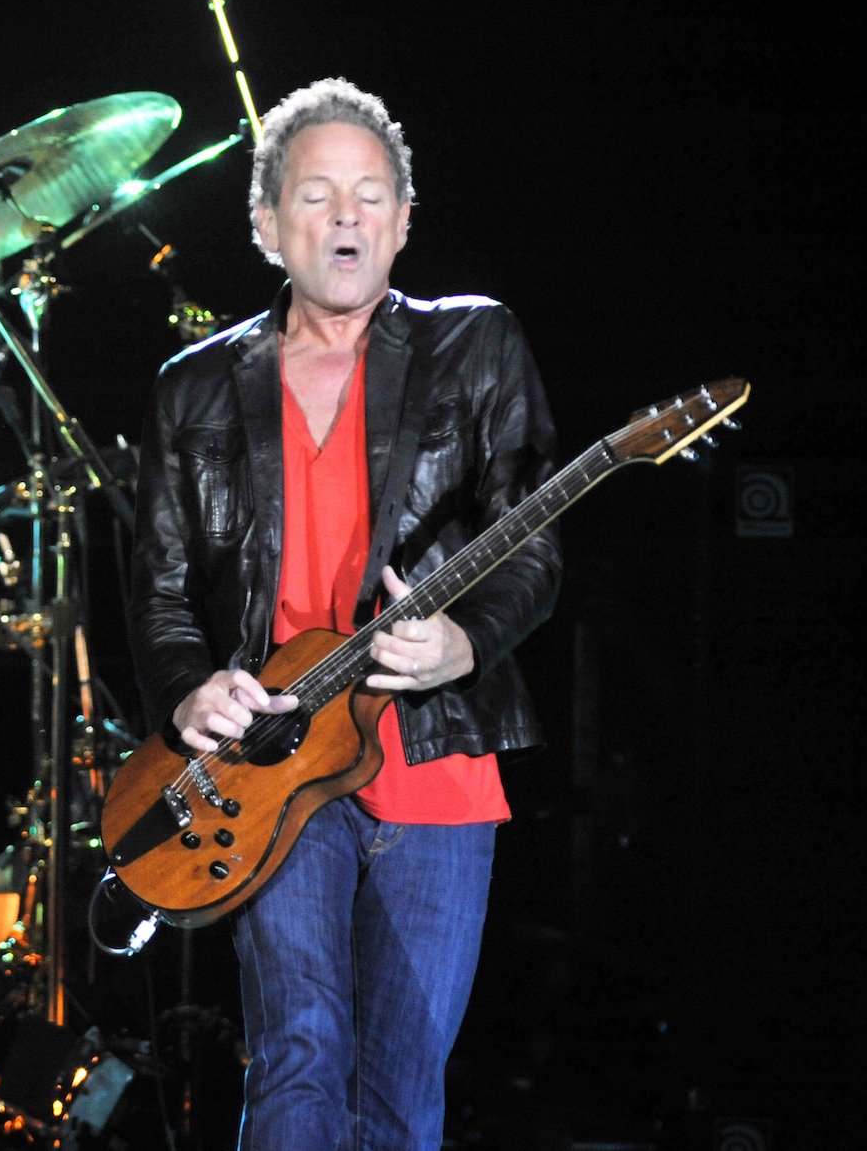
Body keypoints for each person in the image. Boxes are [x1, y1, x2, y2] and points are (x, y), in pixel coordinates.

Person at [128, 78, 561, 1149]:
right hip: (274, 770)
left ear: (404, 221)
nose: (346, 218)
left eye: (371, 197)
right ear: (268, 225)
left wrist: (466, 638)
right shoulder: (195, 387)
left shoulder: (478, 345)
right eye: (316, 196)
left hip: (436, 761)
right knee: (298, 1054)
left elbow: (536, 543)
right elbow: (162, 586)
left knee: (403, 1090)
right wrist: (190, 689)